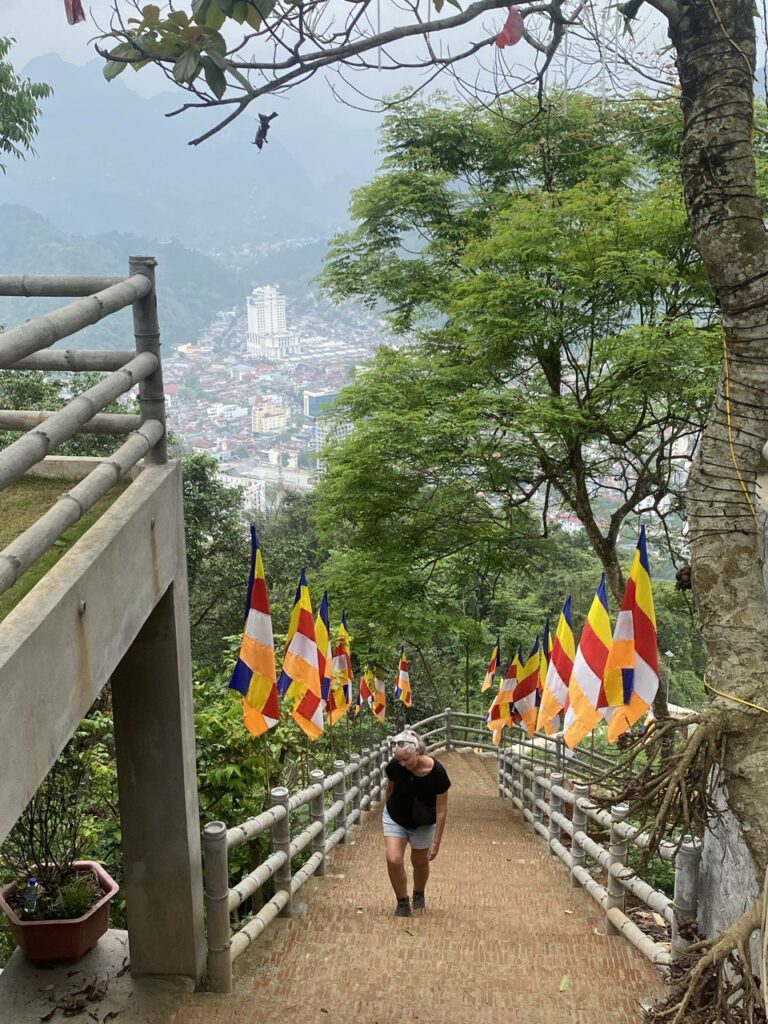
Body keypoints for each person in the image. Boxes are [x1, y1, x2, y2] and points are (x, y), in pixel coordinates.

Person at [382, 729, 451, 917]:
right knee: (393, 859)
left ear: (418, 752)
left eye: (406, 760)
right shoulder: (396, 766)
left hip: (423, 822)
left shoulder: (437, 773)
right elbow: (390, 787)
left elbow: (442, 809)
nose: (402, 764)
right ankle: (402, 901)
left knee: (419, 861)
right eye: (399, 760)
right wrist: (388, 806)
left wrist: (436, 843)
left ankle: (418, 892)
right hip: (396, 816)